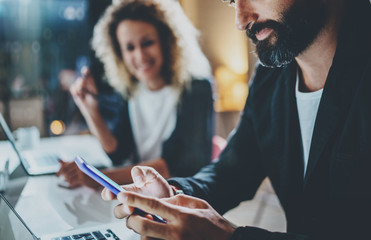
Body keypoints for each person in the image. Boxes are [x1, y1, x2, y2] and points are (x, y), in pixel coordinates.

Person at [101, 0, 371, 239]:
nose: (241, 20)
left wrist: (230, 237)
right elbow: (231, 170)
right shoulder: (271, 77)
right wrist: (171, 195)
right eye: (231, 1)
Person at [57, 0, 214, 188]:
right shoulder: (132, 91)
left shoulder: (197, 89)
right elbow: (118, 153)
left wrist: (96, 177)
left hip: (186, 197)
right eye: (129, 47)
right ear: (119, 53)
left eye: (147, 43)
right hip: (145, 193)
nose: (139, 56)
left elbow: (173, 166)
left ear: (166, 42)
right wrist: (90, 110)